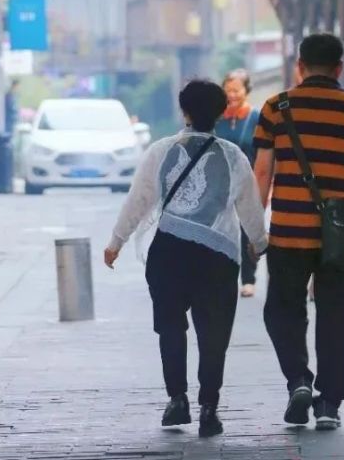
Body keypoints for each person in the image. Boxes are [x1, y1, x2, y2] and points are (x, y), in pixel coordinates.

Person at [104, 78, 268, 439]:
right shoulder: (232, 155)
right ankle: (209, 407)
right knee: (214, 334)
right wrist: (258, 240)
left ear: (185, 112)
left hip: (169, 252)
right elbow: (249, 205)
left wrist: (117, 240)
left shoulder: (162, 150)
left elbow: (140, 198)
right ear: (222, 112)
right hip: (218, 255)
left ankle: (177, 399)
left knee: (170, 327)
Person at [254, 33, 344, 432]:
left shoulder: (275, 108)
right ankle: (329, 402)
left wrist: (251, 222)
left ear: (299, 66)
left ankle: (298, 380)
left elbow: (263, 171)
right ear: (339, 68)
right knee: (339, 316)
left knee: (283, 309)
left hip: (289, 231)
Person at [215, 68, 260, 297]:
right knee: (222, 230)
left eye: (236, 90)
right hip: (220, 182)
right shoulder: (216, 117)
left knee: (247, 230)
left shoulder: (256, 117)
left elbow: (264, 153)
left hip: (248, 182)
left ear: (247, 90)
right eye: (228, 90)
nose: (232, 94)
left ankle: (249, 278)